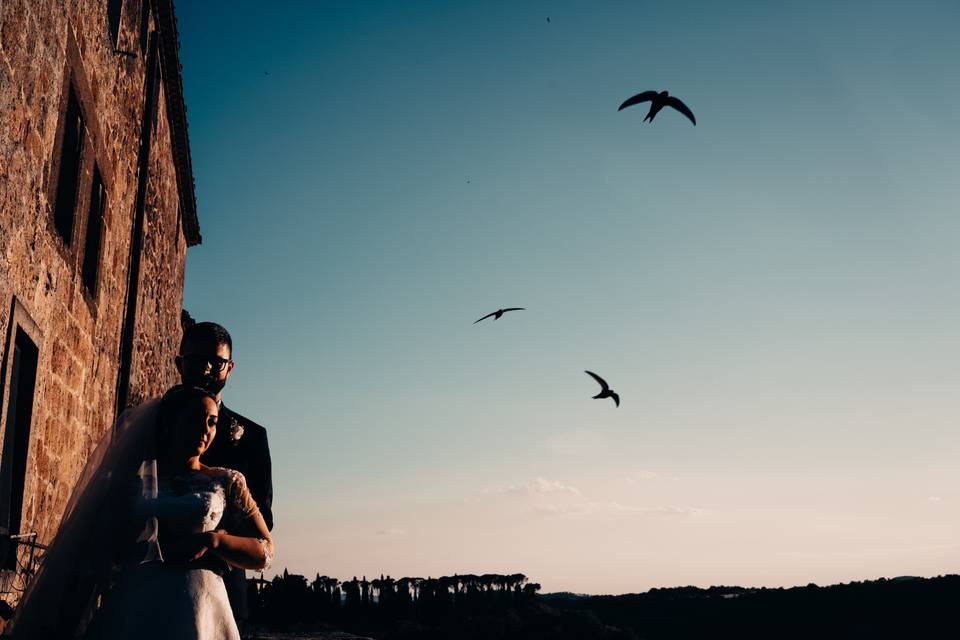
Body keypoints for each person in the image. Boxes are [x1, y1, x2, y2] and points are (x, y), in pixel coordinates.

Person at [9, 385, 273, 640]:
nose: (205, 430)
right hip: (136, 600)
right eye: (195, 419)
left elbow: (265, 552)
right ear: (170, 423)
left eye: (212, 422)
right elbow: (98, 550)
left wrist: (213, 541)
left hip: (200, 605)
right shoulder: (131, 481)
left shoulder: (226, 481)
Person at [176, 321, 274, 626]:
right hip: (146, 586)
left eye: (216, 362)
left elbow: (264, 522)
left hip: (221, 593)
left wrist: (218, 538)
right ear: (179, 363)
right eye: (196, 360)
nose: (206, 370)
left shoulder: (253, 437)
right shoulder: (146, 427)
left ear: (229, 367)